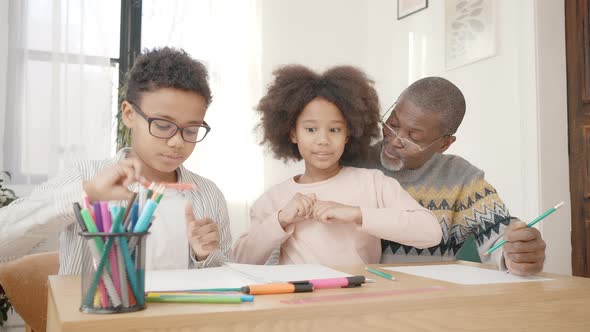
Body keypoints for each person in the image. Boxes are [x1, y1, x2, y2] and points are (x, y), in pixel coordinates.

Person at [0, 47, 231, 274]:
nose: (177, 142)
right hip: (89, 313)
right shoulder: (87, 176)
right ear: (129, 114)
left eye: (191, 130)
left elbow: (225, 283)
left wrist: (206, 256)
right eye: (162, 125)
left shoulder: (208, 195)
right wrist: (86, 194)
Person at [232, 65, 441, 266]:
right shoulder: (274, 199)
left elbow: (430, 232)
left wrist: (356, 213)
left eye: (334, 130)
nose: (323, 140)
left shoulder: (373, 183)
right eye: (311, 129)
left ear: (348, 134)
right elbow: (242, 259)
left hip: (358, 297)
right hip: (298, 299)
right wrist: (281, 218)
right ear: (293, 133)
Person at [349, 76, 546, 276]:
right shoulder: (352, 164)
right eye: (392, 124)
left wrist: (518, 251)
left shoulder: (462, 179)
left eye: (413, 137)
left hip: (429, 298)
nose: (395, 140)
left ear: (444, 144)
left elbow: (498, 235)